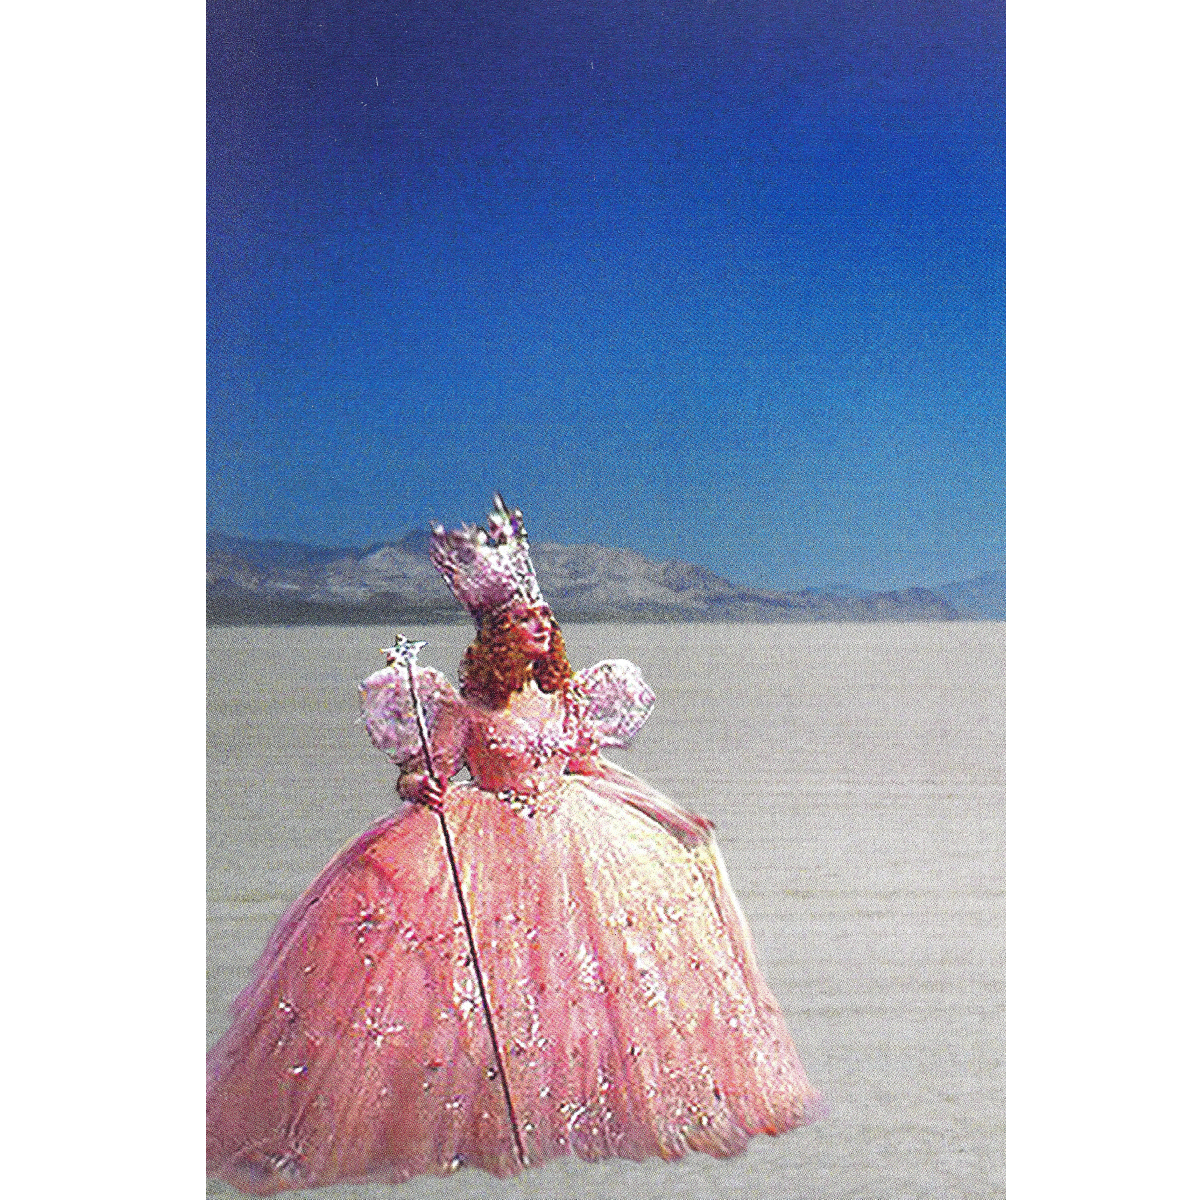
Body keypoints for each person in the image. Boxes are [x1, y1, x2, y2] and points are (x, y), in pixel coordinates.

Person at [204, 496, 823, 1194]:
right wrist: (418, 787)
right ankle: (470, 1117)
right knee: (468, 983)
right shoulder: (468, 709)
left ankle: (577, 1110)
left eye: (545, 618)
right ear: (500, 633)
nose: (544, 627)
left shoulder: (565, 699)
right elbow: (427, 772)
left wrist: (666, 810)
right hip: (485, 838)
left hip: (576, 834)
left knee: (592, 975)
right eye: (529, 619)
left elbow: (588, 766)